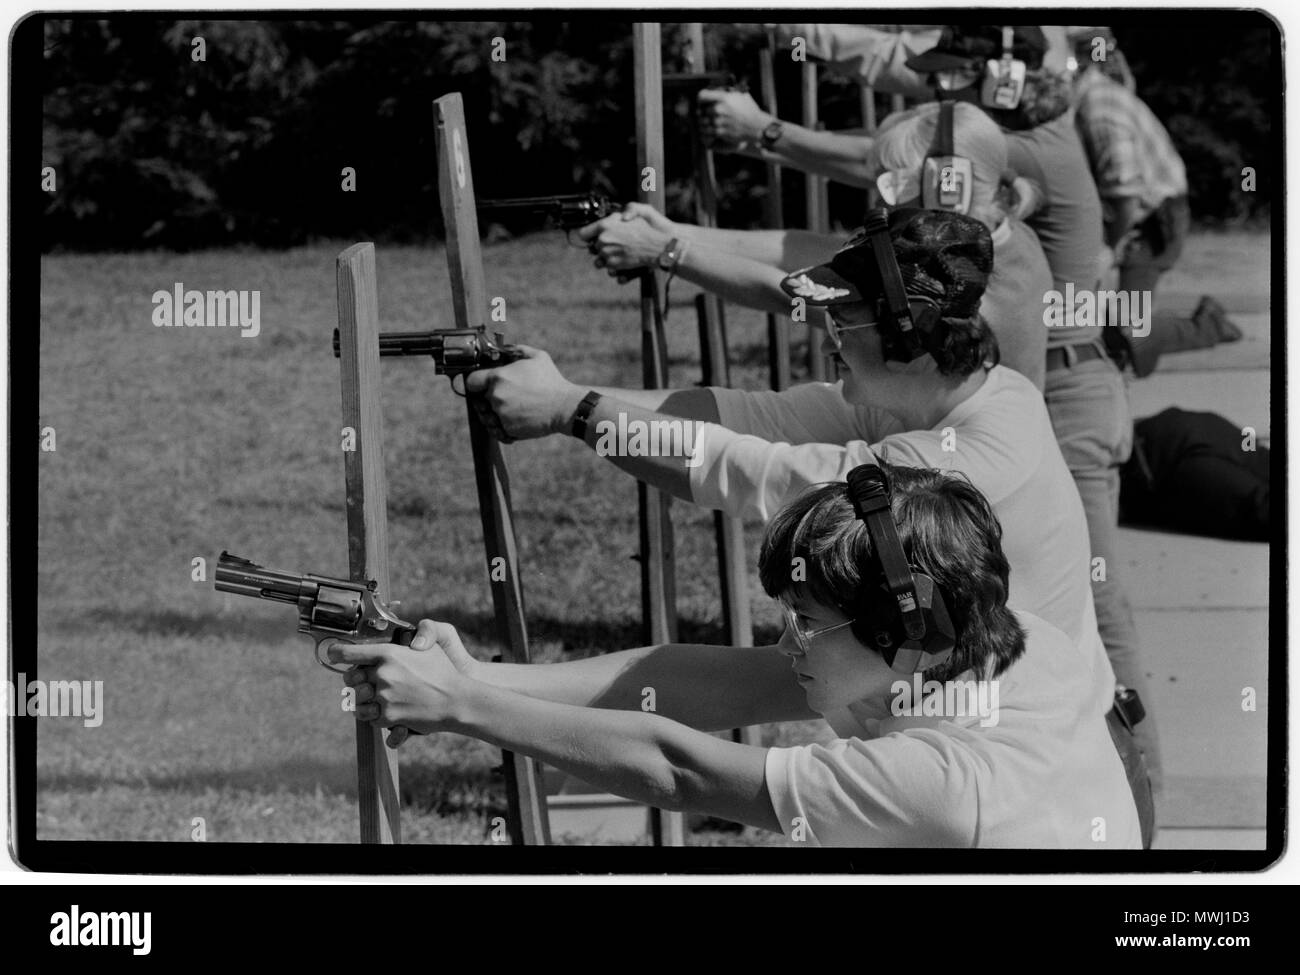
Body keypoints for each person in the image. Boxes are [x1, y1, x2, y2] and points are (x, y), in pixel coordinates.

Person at [467, 207, 1138, 773]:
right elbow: (749, 419)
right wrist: (562, 394)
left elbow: (747, 472)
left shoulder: (940, 465)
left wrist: (575, 413)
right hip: (1019, 759)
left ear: (914, 346)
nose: (830, 338)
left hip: (1043, 786)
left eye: (846, 325)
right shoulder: (967, 397)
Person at [330, 462, 1147, 848]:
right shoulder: (1009, 638)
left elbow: (678, 771)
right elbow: (691, 683)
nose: (787, 641)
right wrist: (475, 675)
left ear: (902, 629)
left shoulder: (942, 787)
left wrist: (460, 710)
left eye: (805, 622)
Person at [907, 26, 1161, 787]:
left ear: (1000, 78)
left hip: (1069, 390)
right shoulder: (1031, 134)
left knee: (1100, 620)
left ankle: (1145, 810)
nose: (940, 94)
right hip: (1070, 383)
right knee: (1075, 615)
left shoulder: (1029, 147)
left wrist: (774, 135)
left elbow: (889, 153)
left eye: (956, 75)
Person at [583, 99, 1052, 388]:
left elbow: (793, 296)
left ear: (949, 185)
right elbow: (813, 250)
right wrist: (673, 232)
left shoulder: (960, 288)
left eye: (893, 186)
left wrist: (668, 253)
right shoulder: (1008, 238)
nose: (883, 202)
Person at [1069, 28, 1242, 378]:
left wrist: (1109, 245)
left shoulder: (1099, 108)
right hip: (1148, 213)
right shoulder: (1098, 90)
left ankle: (1210, 326)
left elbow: (1124, 194)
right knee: (1120, 319)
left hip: (1152, 219)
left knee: (1132, 330)